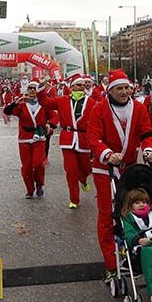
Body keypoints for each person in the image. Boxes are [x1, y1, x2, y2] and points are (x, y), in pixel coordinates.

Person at [86, 69, 152, 281]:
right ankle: (111, 265)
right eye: (119, 88)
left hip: (129, 168)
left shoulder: (138, 108)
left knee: (132, 211)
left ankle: (133, 253)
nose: (124, 91)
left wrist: (148, 148)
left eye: (127, 87)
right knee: (108, 215)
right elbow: (93, 137)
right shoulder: (99, 109)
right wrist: (107, 154)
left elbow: (147, 133)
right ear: (110, 90)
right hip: (105, 169)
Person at [3, 81, 56, 199]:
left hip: (39, 137)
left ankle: (39, 184)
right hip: (24, 138)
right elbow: (7, 111)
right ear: (27, 90)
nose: (32, 90)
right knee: (26, 167)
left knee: (38, 164)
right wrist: (15, 103)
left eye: (35, 88)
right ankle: (29, 189)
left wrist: (50, 125)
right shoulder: (22, 104)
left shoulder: (44, 103)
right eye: (30, 88)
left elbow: (53, 116)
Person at [53, 74, 96, 209]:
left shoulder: (91, 102)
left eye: (83, 85)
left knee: (86, 168)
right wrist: (41, 86)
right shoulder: (62, 100)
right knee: (71, 170)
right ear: (71, 87)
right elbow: (45, 102)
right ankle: (74, 199)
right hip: (68, 138)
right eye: (79, 85)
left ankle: (83, 179)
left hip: (83, 139)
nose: (81, 87)